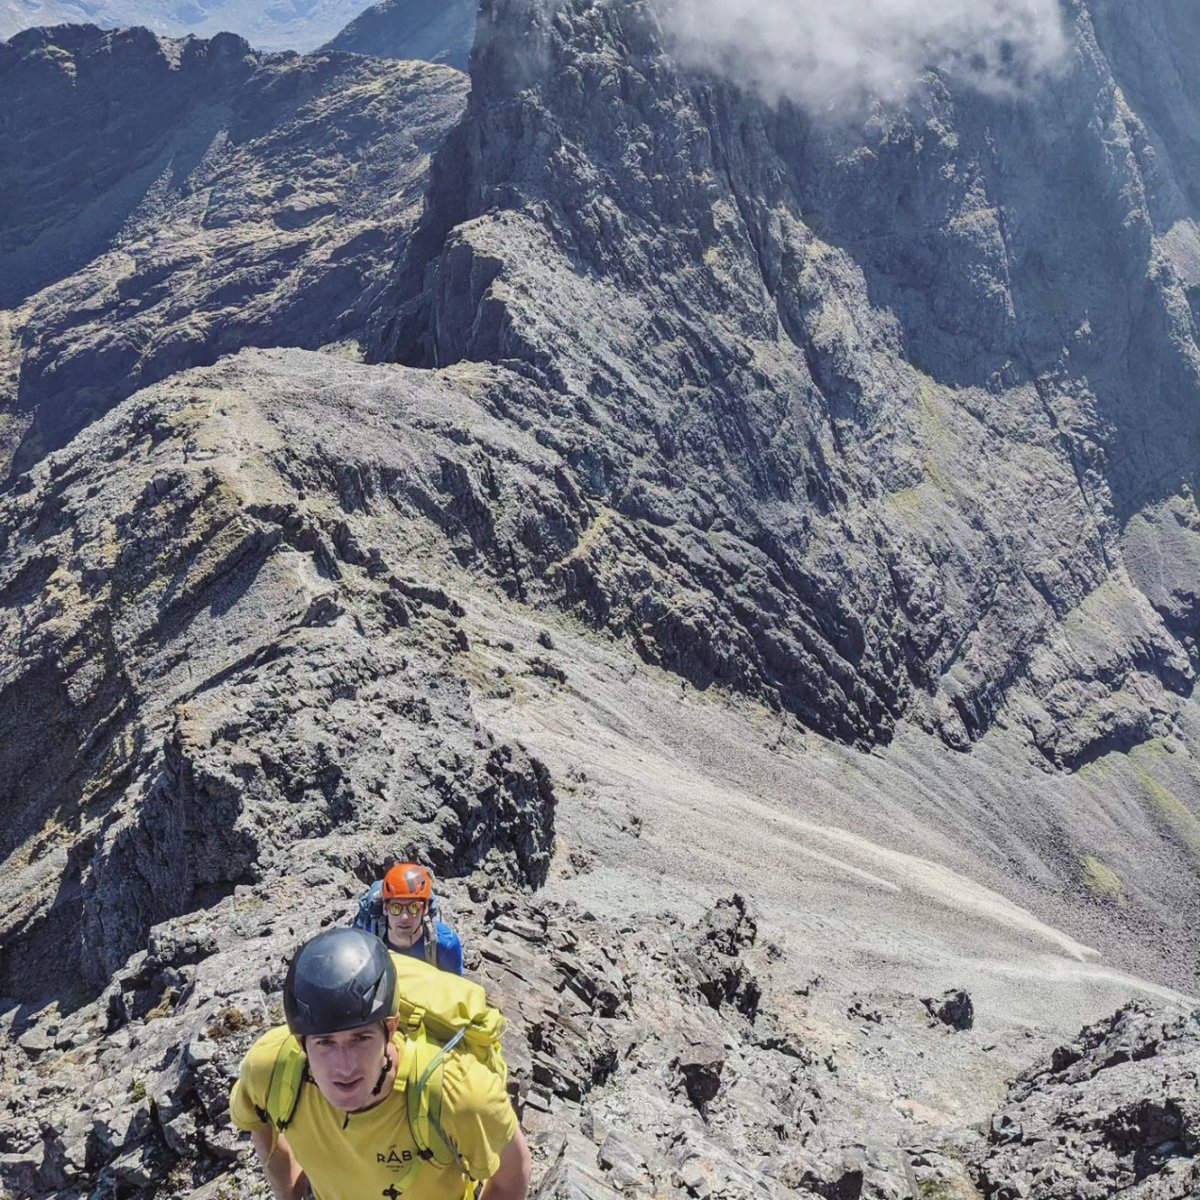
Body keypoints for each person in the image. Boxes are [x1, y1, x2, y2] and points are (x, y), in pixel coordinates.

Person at [229, 927, 531, 1200]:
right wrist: (288, 1192)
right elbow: (257, 1118)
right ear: (301, 1043)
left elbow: (511, 1175)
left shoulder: (459, 1095)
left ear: (389, 1029)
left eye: (361, 1039)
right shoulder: (270, 1070)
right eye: (325, 1043)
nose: (345, 1066)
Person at [353, 862, 465, 975]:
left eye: (414, 907)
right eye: (396, 908)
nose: (405, 917)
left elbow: (453, 988)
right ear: (385, 909)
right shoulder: (366, 942)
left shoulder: (446, 946)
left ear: (425, 908)